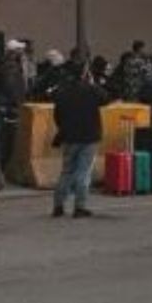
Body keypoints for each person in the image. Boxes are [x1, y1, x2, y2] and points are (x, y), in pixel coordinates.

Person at [51, 64, 107, 218]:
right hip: (89, 136)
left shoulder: (62, 91)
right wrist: (93, 83)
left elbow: (57, 115)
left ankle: (58, 205)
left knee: (66, 171)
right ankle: (79, 206)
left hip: (69, 136)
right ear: (84, 74)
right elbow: (105, 98)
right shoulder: (91, 89)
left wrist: (64, 128)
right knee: (83, 171)